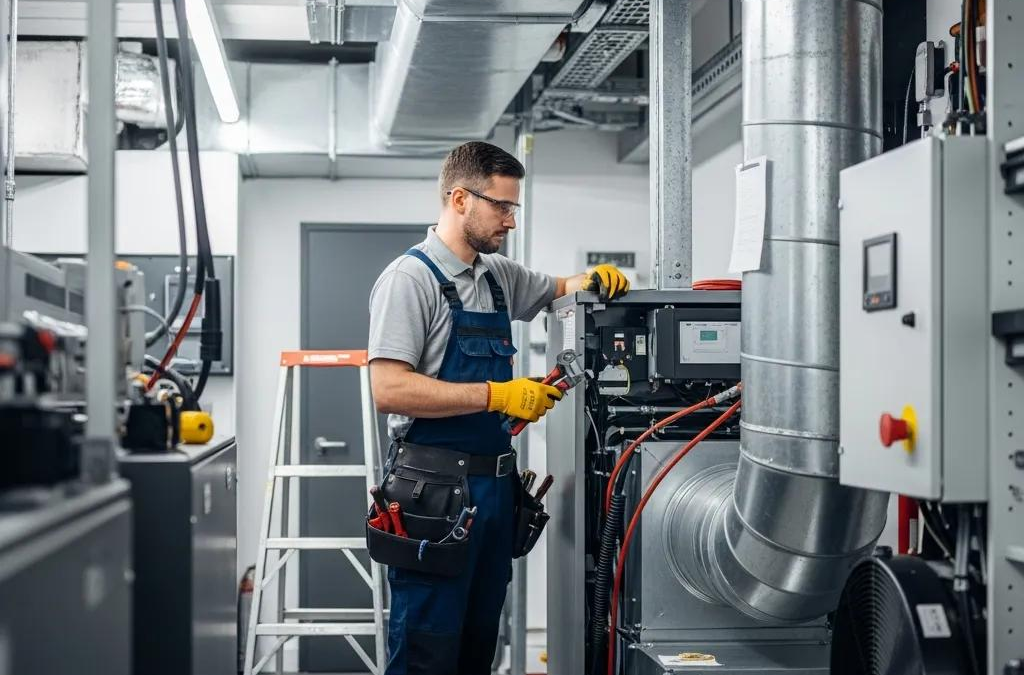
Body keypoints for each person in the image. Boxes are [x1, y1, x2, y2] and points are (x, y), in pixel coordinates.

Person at [368, 141, 630, 675]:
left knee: (477, 646)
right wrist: (498, 394)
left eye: (514, 207)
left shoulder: (497, 275)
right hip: (433, 495)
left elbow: (559, 289)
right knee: (426, 650)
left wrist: (593, 279)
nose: (511, 220)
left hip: (493, 492)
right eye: (502, 206)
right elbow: (389, 389)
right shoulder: (410, 280)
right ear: (460, 199)